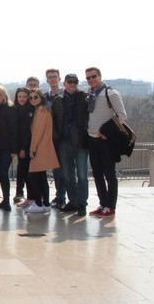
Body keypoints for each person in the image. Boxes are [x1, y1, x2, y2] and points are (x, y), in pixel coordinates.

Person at [86, 67, 127, 217]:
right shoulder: (90, 94)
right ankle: (103, 203)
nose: (91, 80)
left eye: (93, 76)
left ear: (100, 76)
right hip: (92, 139)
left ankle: (111, 206)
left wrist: (106, 132)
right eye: (88, 78)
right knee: (97, 174)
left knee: (109, 174)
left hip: (106, 141)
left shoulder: (111, 93)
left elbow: (122, 116)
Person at [51, 73, 89, 216]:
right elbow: (54, 121)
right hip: (64, 141)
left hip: (81, 142)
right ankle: (73, 201)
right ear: (64, 83)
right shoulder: (57, 101)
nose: (72, 84)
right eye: (70, 81)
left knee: (82, 175)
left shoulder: (85, 98)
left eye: (75, 81)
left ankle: (82, 204)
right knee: (67, 175)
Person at [26, 90, 60, 213]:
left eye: (36, 97)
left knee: (33, 177)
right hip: (45, 146)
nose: (33, 99)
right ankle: (45, 203)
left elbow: (37, 132)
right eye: (31, 98)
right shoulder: (44, 109)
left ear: (41, 97)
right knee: (41, 177)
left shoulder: (40, 111)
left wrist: (32, 149)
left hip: (39, 147)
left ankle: (39, 204)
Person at [0, 85, 18, 211]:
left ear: (4, 96)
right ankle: (5, 200)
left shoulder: (10, 109)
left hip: (7, 147)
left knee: (3, 172)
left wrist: (14, 149)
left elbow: (14, 130)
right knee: (2, 174)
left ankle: (7, 201)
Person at [44, 68, 66, 208]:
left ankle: (64, 197)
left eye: (54, 77)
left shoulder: (65, 95)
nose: (52, 79)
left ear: (59, 78)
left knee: (65, 170)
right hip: (51, 137)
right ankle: (60, 196)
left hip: (63, 137)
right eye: (50, 77)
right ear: (47, 80)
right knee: (57, 169)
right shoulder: (45, 97)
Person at [14, 87, 34, 206]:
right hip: (18, 144)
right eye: (19, 96)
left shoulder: (30, 110)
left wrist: (23, 148)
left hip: (27, 146)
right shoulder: (16, 109)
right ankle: (19, 192)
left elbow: (28, 131)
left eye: (24, 97)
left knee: (26, 171)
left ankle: (29, 195)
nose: (22, 99)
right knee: (21, 170)